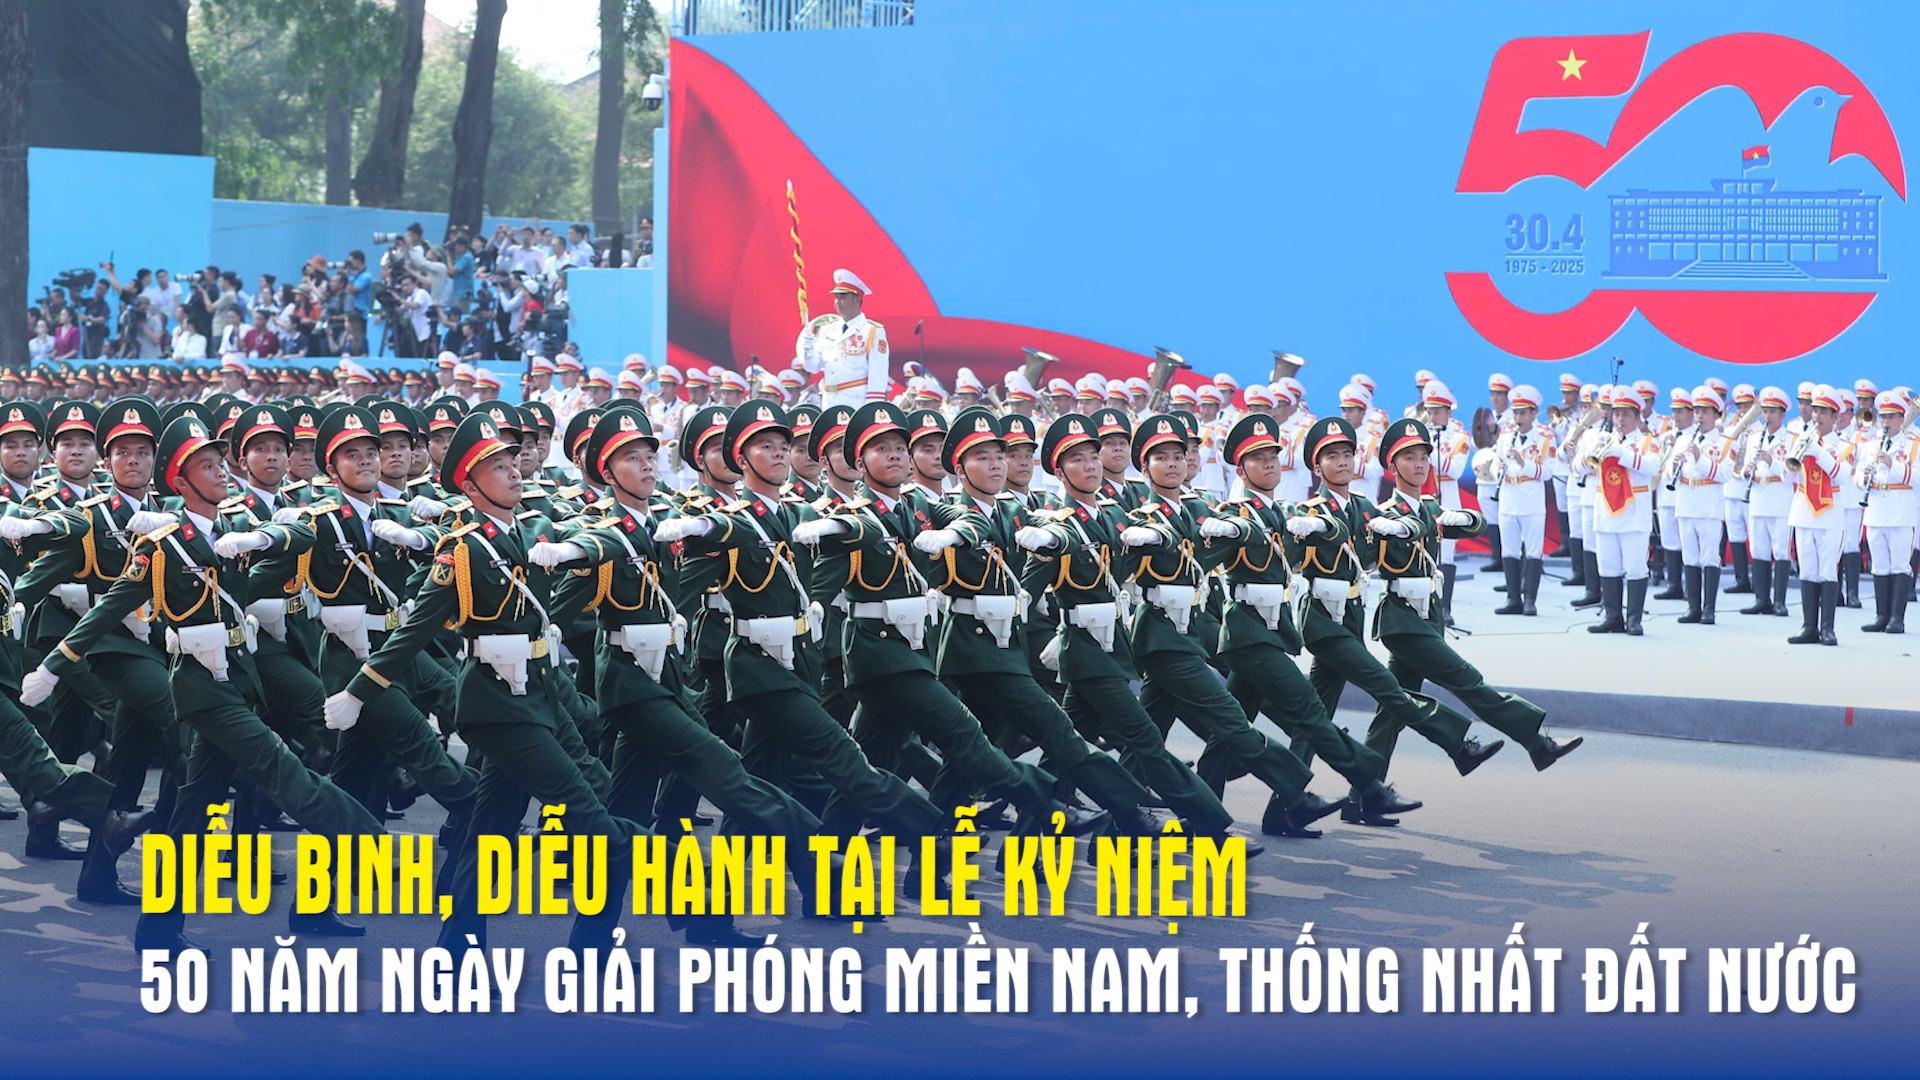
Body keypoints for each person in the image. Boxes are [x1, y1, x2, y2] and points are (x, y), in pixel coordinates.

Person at [26, 415, 383, 951]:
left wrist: (263, 535)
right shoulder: (164, 546)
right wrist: (53, 667)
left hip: (238, 679)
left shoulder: (235, 526)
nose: (221, 473)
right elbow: (109, 609)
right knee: (285, 769)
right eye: (207, 466)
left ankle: (158, 927)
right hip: (202, 691)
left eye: (220, 463)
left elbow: (305, 532)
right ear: (180, 480)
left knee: (191, 814)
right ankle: (368, 838)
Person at [1365, 417, 1582, 775]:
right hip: (1402, 621)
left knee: (1391, 713)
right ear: (1391, 466)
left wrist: (1465, 519)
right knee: (1467, 681)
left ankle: (1365, 791)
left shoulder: (1430, 507)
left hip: (1428, 617)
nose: (1419, 465)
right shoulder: (1385, 514)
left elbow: (1476, 524)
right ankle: (1536, 742)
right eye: (1409, 458)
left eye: (1424, 457)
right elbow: (1370, 552)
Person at [1586, 386, 1666, 635]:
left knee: (1635, 566)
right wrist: (1590, 451)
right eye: (1617, 414)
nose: (1620, 419)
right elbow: (1579, 467)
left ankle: (1634, 619)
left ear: (1637, 417)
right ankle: (1612, 616)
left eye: (1626, 415)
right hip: (1605, 510)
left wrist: (1622, 453)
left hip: (1633, 511)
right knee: (1607, 565)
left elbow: (1652, 468)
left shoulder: (1648, 442)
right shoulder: (1603, 438)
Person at [1784, 385, 1848, 645]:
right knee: (1808, 570)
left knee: (1827, 571)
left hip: (1830, 514)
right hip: (1803, 512)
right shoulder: (1800, 438)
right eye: (1815, 411)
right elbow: (1786, 477)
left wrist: (1818, 453)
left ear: (1835, 417)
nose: (1817, 416)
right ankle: (1808, 626)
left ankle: (1827, 628)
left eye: (1823, 412)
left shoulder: (1843, 445)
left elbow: (1843, 476)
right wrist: (1794, 455)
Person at [1490, 384, 1555, 616]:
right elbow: (1496, 461)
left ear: (1533, 413)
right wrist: (1497, 470)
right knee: (1509, 549)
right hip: (1508, 497)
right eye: (1515, 413)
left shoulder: (1545, 437)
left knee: (1533, 550)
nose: (1517, 418)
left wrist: (1522, 463)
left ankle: (1530, 599)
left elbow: (1548, 472)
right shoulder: (1506, 435)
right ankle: (1512, 598)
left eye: (1522, 413)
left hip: (1531, 499)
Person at [1858, 390, 1918, 634]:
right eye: (1882, 416)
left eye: (1891, 417)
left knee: (1900, 565)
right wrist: (1863, 478)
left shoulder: (1913, 445)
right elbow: (1857, 475)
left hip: (1901, 512)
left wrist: (1893, 465)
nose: (1885, 422)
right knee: (1879, 564)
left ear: (1902, 418)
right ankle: (1881, 615)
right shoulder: (1870, 445)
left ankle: (1897, 618)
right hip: (1875, 510)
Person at [1739, 387, 1796, 618]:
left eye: (1772, 411)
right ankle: (1760, 599)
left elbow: (1792, 474)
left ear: (1783, 414)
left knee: (1781, 550)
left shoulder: (1791, 439)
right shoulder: (1753, 437)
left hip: (1780, 499)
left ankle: (1779, 601)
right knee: (1758, 549)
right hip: (1758, 498)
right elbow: (1742, 468)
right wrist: (1746, 472)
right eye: (1765, 411)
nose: (1767, 416)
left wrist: (1771, 462)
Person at [796, 270, 889, 409]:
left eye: (843, 297)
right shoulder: (827, 330)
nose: (838, 302)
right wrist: (807, 348)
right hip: (829, 401)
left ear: (857, 299)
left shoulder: (872, 331)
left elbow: (878, 374)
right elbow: (813, 367)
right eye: (836, 297)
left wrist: (872, 408)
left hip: (856, 402)